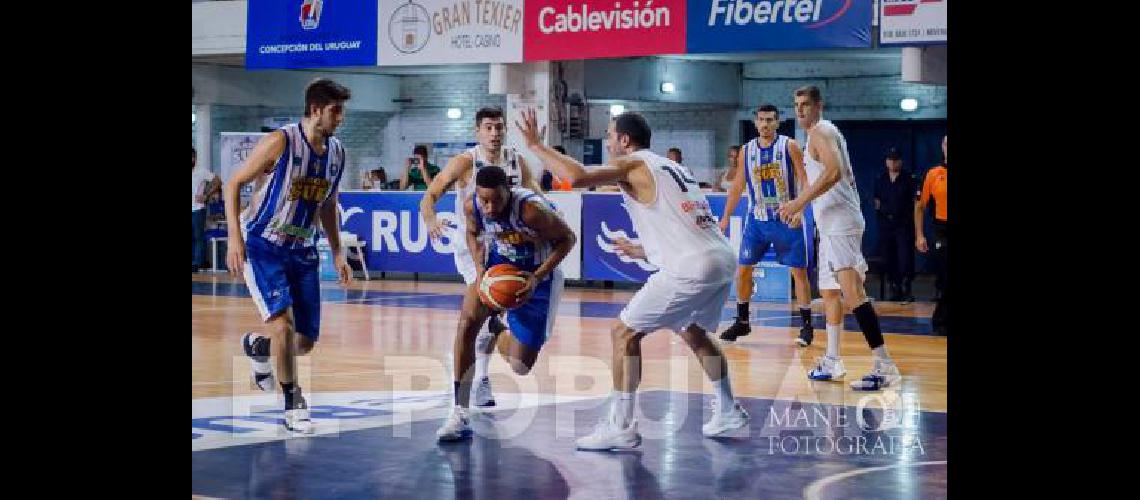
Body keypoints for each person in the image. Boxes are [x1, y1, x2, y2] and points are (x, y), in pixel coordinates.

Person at [516, 108, 750, 450]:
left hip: (693, 266)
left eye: (611, 135)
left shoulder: (633, 163)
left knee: (623, 332)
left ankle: (620, 426)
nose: (608, 141)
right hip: (720, 258)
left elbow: (577, 177)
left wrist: (536, 146)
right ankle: (728, 409)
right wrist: (642, 249)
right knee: (694, 332)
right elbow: (681, 226)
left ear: (625, 140)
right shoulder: (670, 167)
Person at [225, 78, 355, 433]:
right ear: (316, 110)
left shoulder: (337, 153)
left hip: (303, 249)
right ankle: (292, 401)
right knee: (283, 324)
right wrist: (235, 239)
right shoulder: (281, 141)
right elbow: (233, 184)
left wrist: (339, 252)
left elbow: (328, 204)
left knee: (304, 342)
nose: (340, 118)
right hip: (263, 244)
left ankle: (259, 348)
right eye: (335, 110)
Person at [436, 166, 577, 441]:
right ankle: (460, 412)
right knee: (466, 324)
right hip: (498, 268)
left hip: (538, 275)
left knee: (520, 366)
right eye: (483, 200)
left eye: (495, 201)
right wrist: (479, 270)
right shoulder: (472, 206)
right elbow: (473, 234)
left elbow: (567, 239)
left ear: (508, 192)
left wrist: (536, 278)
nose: (488, 208)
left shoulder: (530, 211)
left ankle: (497, 329)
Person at [420, 107, 547, 408]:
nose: (494, 133)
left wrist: (544, 216)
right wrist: (430, 221)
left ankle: (481, 377)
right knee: (486, 309)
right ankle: (477, 382)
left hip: (509, 248)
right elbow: (430, 195)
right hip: (473, 249)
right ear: (477, 132)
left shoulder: (517, 161)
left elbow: (536, 194)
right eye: (488, 128)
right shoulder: (465, 162)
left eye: (499, 127)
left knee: (492, 314)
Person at [777, 85, 901, 391]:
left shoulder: (821, 131)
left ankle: (885, 365)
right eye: (796, 104)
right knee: (830, 292)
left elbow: (832, 173)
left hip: (841, 224)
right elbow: (826, 179)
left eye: (805, 104)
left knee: (852, 293)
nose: (800, 110)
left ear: (819, 105)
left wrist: (798, 203)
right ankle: (832, 360)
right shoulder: (815, 136)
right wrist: (803, 210)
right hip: (830, 223)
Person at [716, 104, 816, 347]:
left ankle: (806, 326)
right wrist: (726, 217)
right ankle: (742, 321)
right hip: (757, 219)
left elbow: (804, 179)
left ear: (778, 123)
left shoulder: (789, 145)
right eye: (761, 120)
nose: (765, 124)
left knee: (799, 273)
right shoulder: (746, 151)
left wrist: (800, 208)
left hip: (785, 217)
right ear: (755, 122)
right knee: (743, 269)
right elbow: (738, 186)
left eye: (770, 120)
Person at [873, 147, 918, 302]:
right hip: (886, 224)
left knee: (905, 256)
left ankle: (906, 287)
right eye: (890, 160)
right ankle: (894, 286)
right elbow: (876, 201)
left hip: (903, 223)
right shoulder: (880, 179)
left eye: (895, 159)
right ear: (886, 161)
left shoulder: (909, 179)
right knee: (888, 256)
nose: (893, 163)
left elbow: (915, 202)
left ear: (900, 161)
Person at [915, 135, 948, 336]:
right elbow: (919, 207)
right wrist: (919, 235)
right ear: (943, 147)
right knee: (945, 276)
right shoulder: (934, 174)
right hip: (942, 230)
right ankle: (940, 321)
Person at [192, 147, 222, 273]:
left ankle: (197, 263)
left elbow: (218, 181)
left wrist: (206, 195)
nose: (192, 159)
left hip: (198, 209)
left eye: (193, 157)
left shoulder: (201, 171)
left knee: (198, 237)